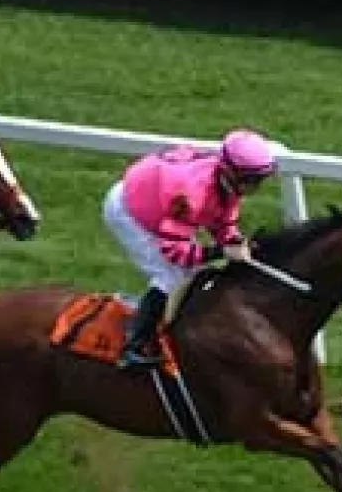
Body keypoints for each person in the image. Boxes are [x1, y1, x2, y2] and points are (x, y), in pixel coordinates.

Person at [102, 129, 280, 370]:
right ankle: (134, 345)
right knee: (171, 274)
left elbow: (223, 219)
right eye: (252, 180)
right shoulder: (191, 194)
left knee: (189, 270)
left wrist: (235, 241)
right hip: (128, 211)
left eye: (260, 180)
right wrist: (220, 252)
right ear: (231, 172)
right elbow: (174, 251)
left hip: (157, 201)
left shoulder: (226, 180)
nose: (256, 187)